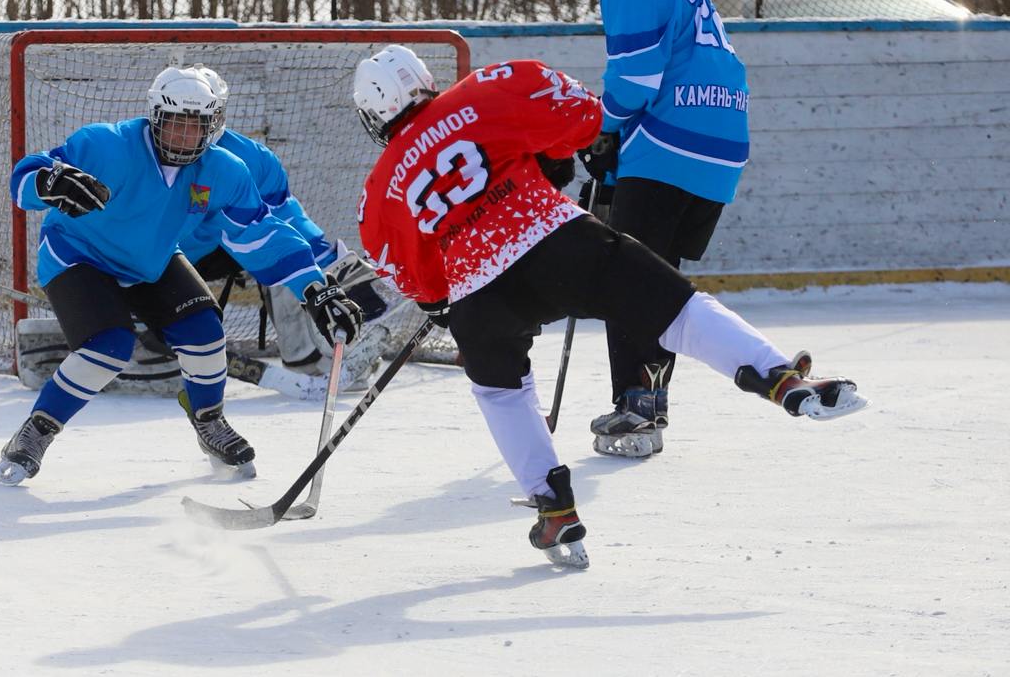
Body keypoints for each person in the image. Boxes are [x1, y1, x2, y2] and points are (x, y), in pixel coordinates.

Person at [351, 45, 867, 569]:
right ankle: (781, 379)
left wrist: (445, 307)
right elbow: (583, 116)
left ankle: (553, 508)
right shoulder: (487, 87)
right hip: (556, 242)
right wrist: (555, 155)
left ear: (375, 114)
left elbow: (416, 279)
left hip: (478, 295)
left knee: (501, 393)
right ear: (424, 80)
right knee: (677, 311)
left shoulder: (377, 192)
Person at [0, 65, 363, 486]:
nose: (185, 136)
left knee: (205, 332)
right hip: (79, 256)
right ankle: (36, 431)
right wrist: (48, 182)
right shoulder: (104, 145)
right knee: (108, 348)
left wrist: (317, 289)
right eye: (175, 123)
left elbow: (263, 234)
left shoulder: (225, 171)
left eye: (196, 126)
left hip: (153, 259)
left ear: (213, 124)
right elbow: (26, 176)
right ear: (155, 117)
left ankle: (209, 422)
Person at [574, 0, 751, 458]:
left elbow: (634, 82)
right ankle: (648, 399)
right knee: (657, 277)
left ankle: (637, 408)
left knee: (623, 276)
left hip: (670, 145)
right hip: (720, 150)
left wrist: (597, 130)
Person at [177, 66, 389, 379]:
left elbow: (286, 218)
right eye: (183, 116)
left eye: (205, 113)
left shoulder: (255, 159)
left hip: (226, 247)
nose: (192, 125)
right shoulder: (151, 155)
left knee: (286, 254)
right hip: (171, 255)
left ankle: (305, 356)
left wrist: (329, 262)